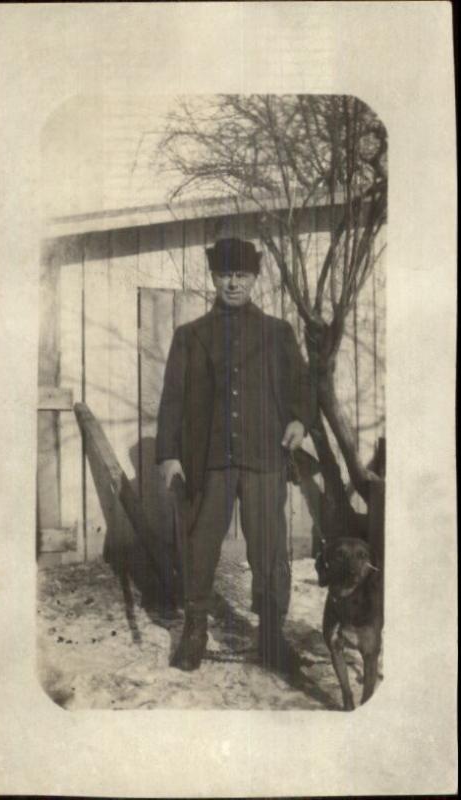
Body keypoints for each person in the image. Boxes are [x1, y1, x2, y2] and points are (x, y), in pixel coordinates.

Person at [156, 237, 316, 672]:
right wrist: (169, 455)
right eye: (225, 274)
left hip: (265, 458)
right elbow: (172, 400)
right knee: (200, 545)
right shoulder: (189, 337)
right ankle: (194, 631)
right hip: (207, 462)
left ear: (253, 278)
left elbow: (303, 388)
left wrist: (300, 421)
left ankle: (270, 637)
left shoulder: (277, 333)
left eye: (241, 275)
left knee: (268, 550)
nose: (233, 283)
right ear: (213, 277)